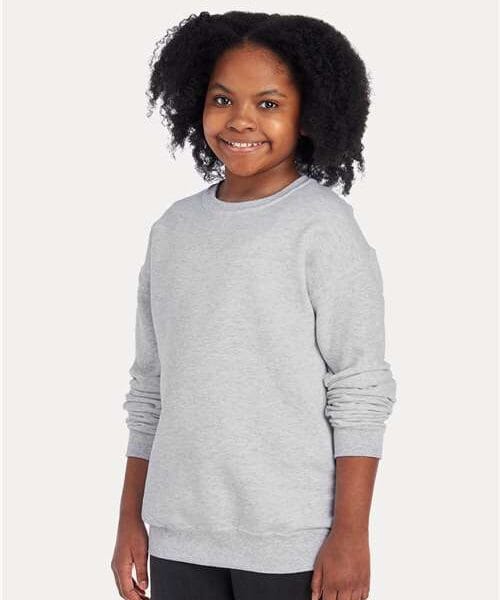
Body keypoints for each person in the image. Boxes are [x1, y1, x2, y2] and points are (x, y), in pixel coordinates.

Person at [111, 10, 398, 600]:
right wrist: (129, 518)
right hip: (178, 535)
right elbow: (150, 388)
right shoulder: (173, 230)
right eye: (222, 99)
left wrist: (351, 534)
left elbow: (359, 386)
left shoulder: (322, 227)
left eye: (268, 103)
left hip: (293, 540)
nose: (240, 119)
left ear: (309, 114)